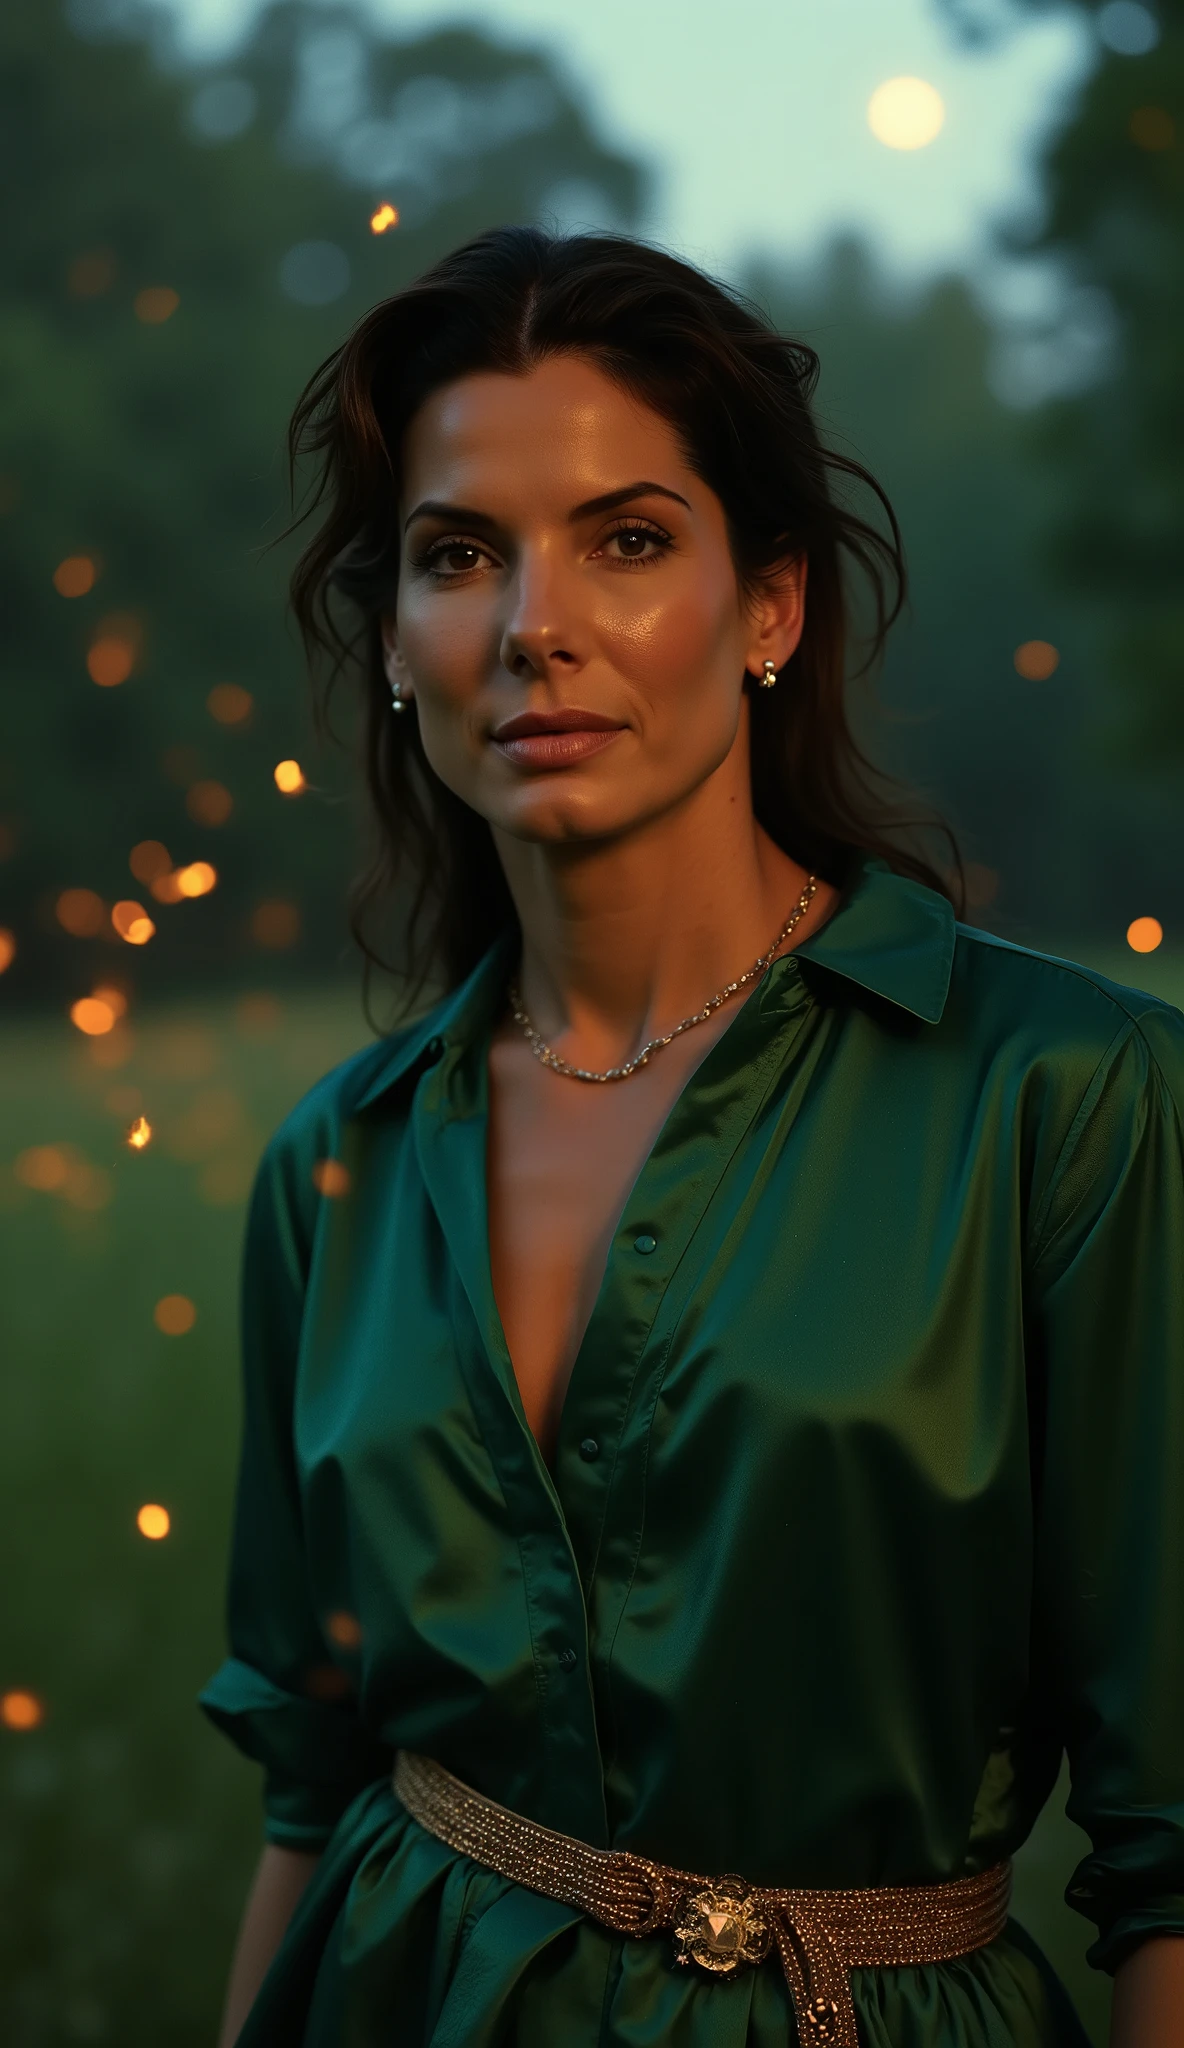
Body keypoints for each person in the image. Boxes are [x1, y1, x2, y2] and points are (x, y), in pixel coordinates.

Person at [202, 228, 1184, 2048]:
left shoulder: (1071, 1099)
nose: (534, 624)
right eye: (458, 554)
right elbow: (309, 1792)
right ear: (398, 640)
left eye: (629, 540)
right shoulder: (335, 1162)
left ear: (772, 606)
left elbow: (1177, 1841)